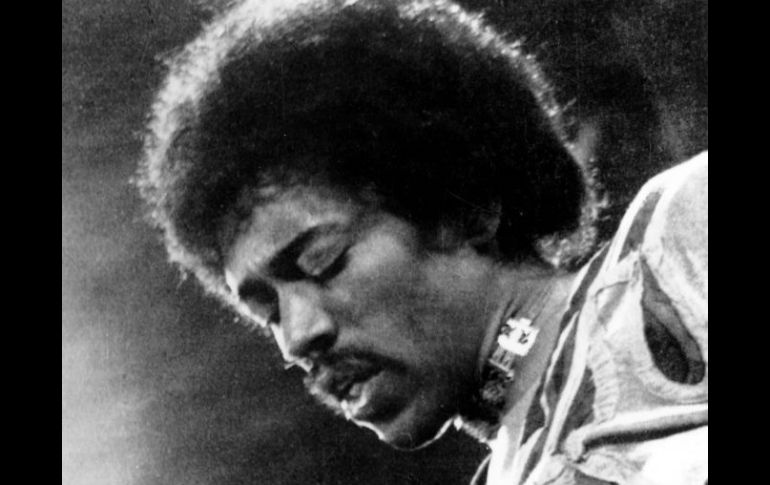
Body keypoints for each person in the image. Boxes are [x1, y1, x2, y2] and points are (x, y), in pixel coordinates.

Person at [137, 0, 708, 483]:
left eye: (322, 262)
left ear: (467, 203)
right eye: (269, 311)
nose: (297, 338)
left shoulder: (682, 229)